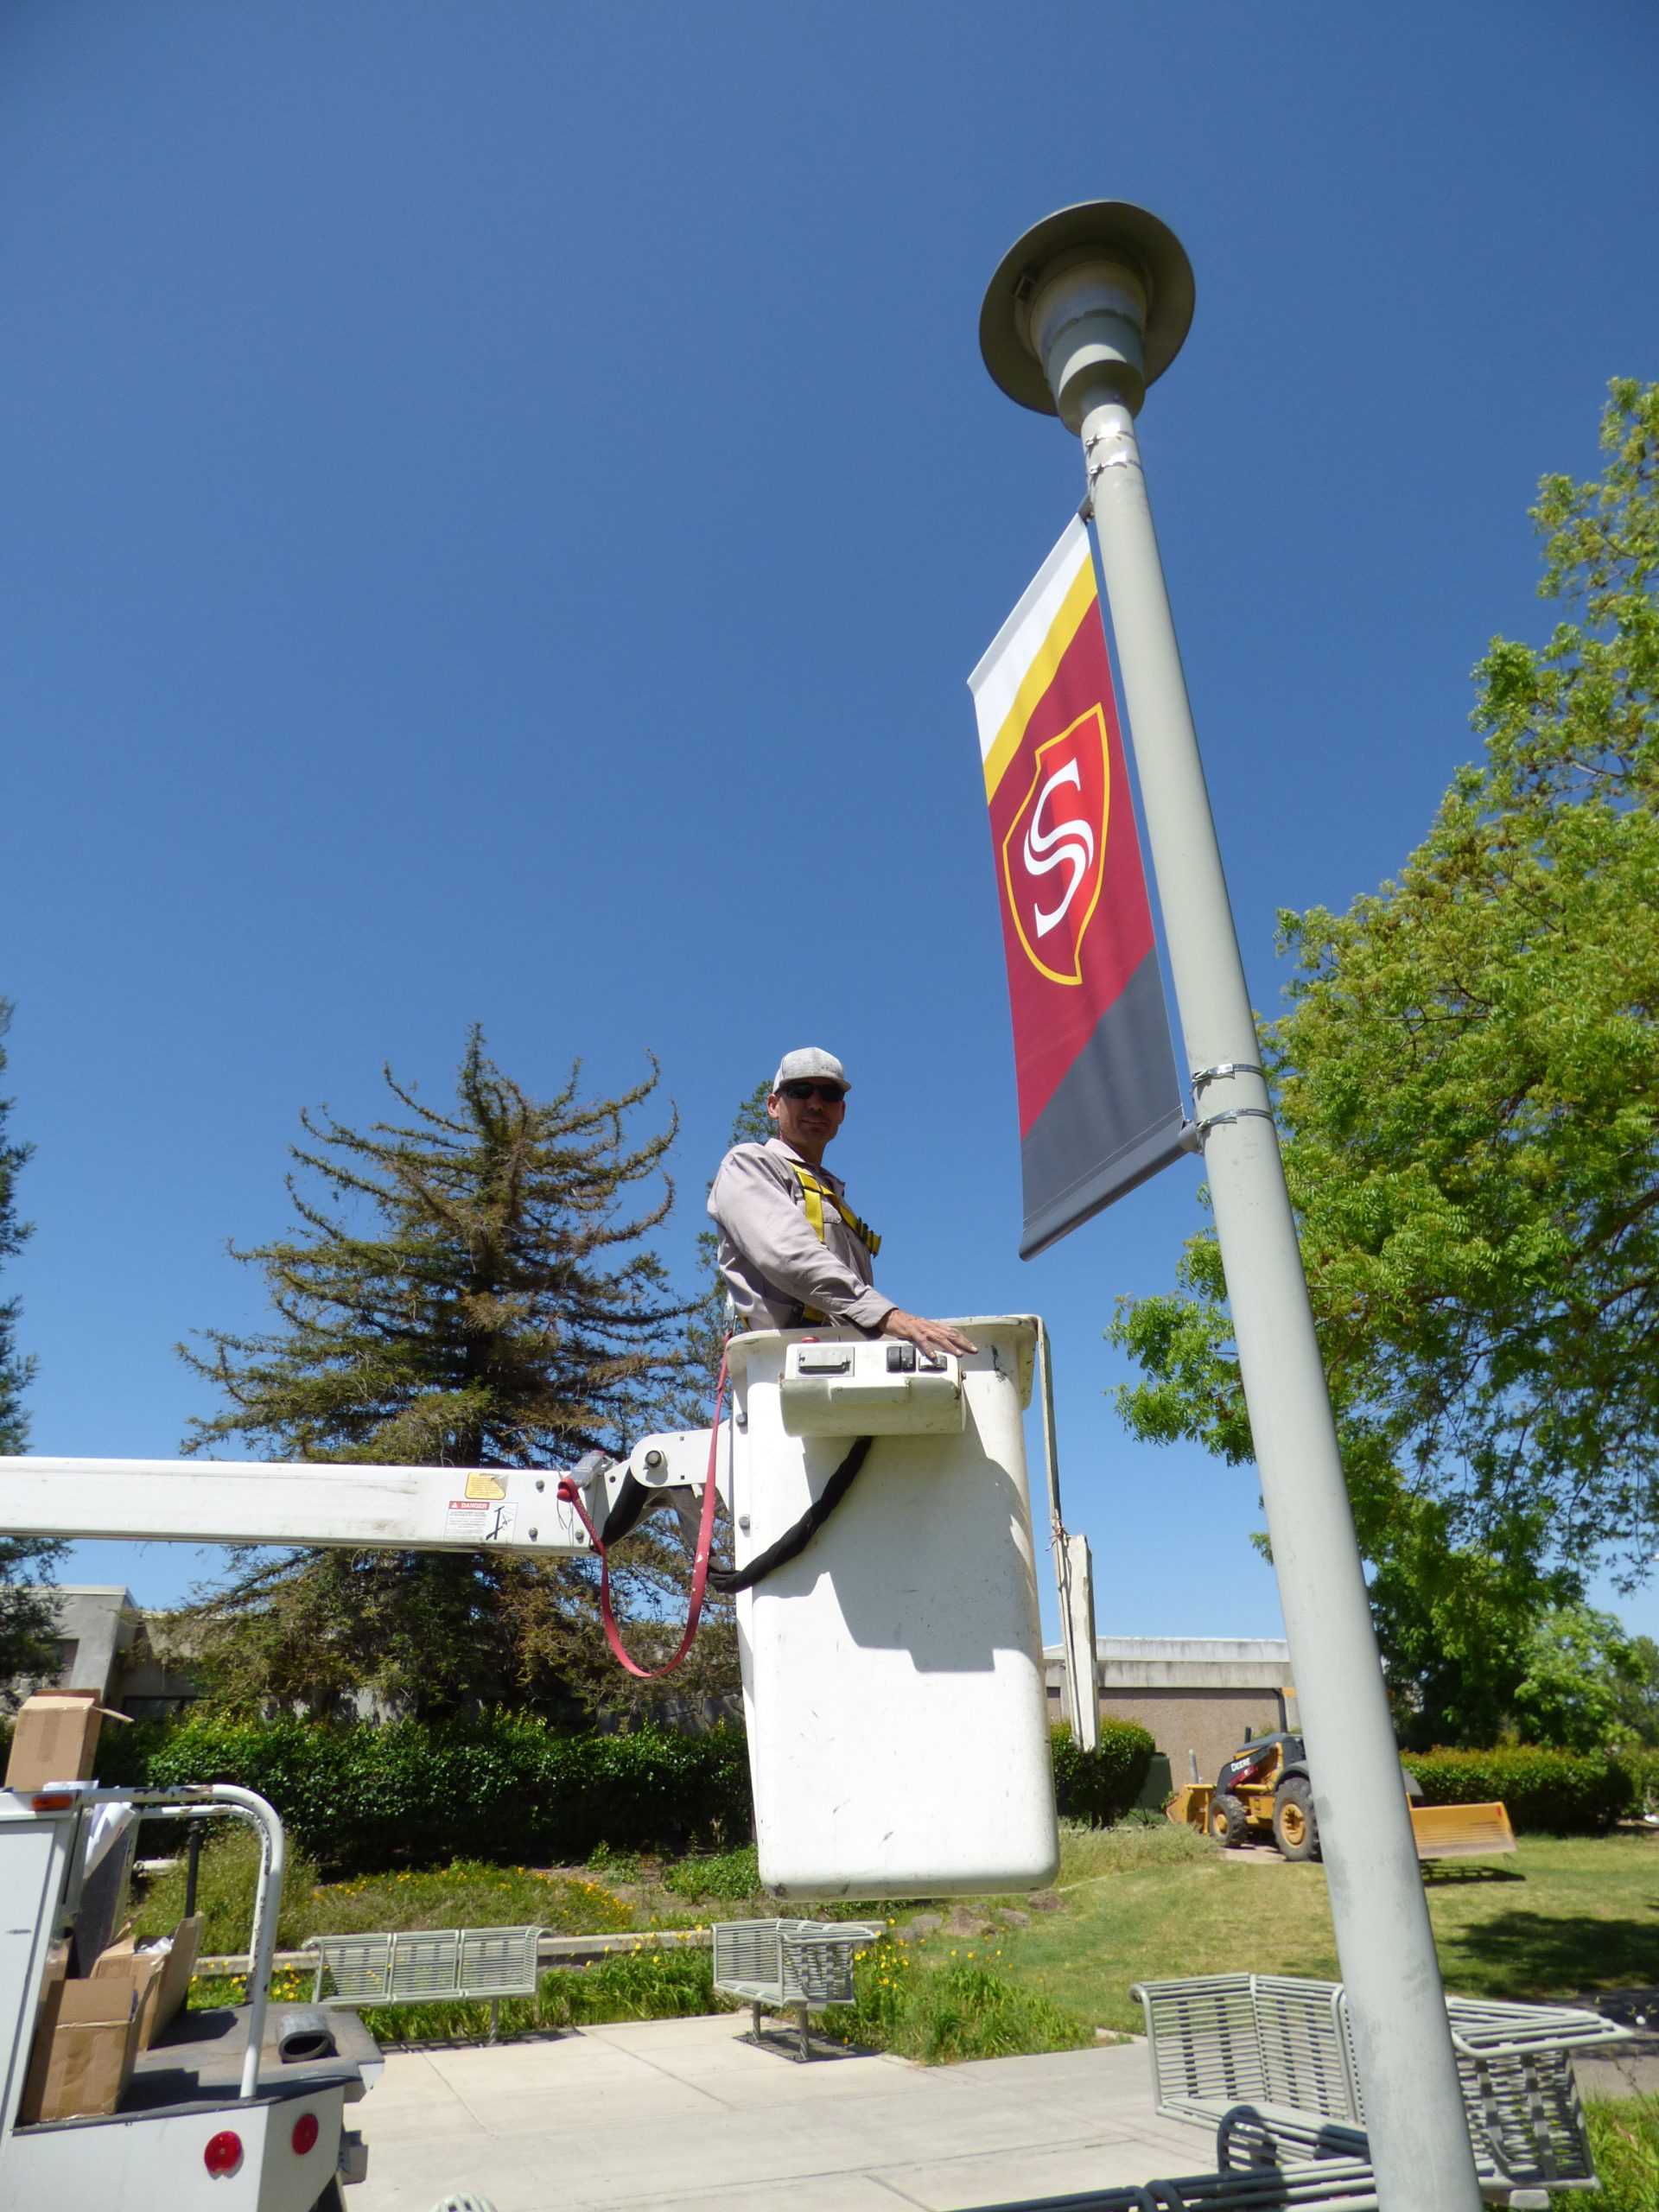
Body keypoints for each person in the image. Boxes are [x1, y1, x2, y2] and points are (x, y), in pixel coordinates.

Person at [708, 1047, 976, 1358]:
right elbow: (790, 1257)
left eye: (829, 1094)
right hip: (782, 1367)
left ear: (842, 1112)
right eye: (800, 1091)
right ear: (772, 1105)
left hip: (846, 1365)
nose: (816, 1104)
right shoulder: (748, 1164)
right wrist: (889, 1317)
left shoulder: (832, 1195)